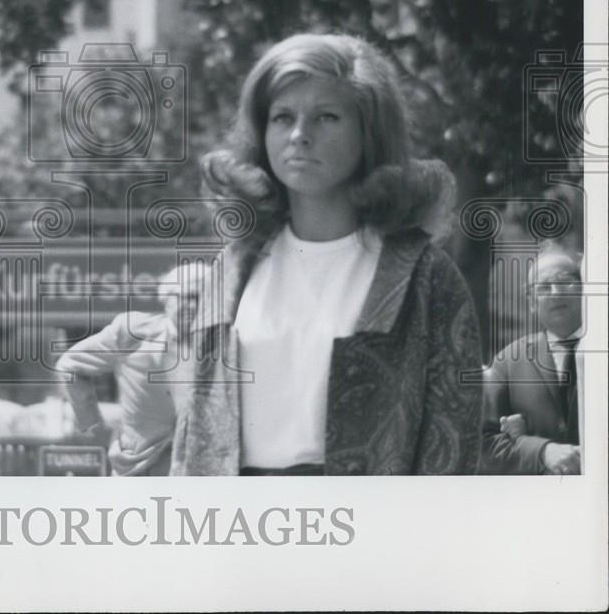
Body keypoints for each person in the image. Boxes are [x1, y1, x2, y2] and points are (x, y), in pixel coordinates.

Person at [171, 33, 483, 476]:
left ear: (369, 133)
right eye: (282, 117)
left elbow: (452, 451)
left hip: (369, 533)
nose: (299, 135)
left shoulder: (425, 277)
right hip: (239, 532)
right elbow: (195, 434)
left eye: (327, 117)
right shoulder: (235, 266)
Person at [58, 265, 211, 475]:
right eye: (187, 297)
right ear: (166, 299)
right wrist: (94, 429)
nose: (193, 306)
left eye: (201, 298)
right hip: (137, 468)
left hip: (200, 471)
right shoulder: (131, 331)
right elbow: (69, 366)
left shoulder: (222, 343)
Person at [481, 247, 584, 475]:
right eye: (544, 286)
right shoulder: (508, 361)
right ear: (531, 302)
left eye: (565, 281)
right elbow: (482, 443)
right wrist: (541, 451)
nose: (556, 293)